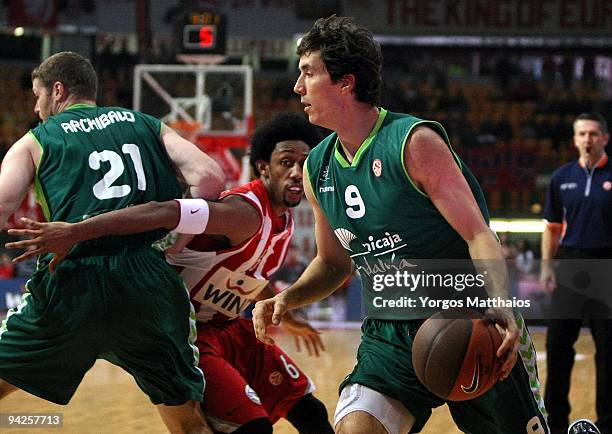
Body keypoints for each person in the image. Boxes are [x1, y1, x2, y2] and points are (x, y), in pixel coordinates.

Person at [252, 16, 548, 434]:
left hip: (470, 320)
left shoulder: (414, 142)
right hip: (389, 336)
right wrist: (288, 298)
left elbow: (479, 233)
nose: (297, 87)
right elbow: (334, 265)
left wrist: (500, 301)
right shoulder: (317, 167)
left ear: (345, 82)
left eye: (308, 73)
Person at [7, 112, 334, 434]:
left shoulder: (285, 221)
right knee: (253, 427)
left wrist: (281, 306)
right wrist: (77, 231)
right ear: (264, 167)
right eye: (286, 162)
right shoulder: (241, 213)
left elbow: (246, 275)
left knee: (311, 412)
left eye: (304, 163)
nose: (296, 172)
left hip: (233, 327)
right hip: (190, 332)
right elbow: (162, 211)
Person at [0, 51, 225, 434]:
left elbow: (2, 204)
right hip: (146, 279)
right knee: (188, 424)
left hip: (71, 279)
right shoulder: (148, 125)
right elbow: (210, 179)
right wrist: (176, 239)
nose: (37, 109)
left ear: (58, 90)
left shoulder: (34, 141)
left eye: (38, 97)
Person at [540, 112, 611, 434]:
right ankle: (555, 423)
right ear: (574, 139)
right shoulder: (561, 177)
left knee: (608, 351)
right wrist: (546, 266)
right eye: (582, 134)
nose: (587, 139)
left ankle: (608, 424)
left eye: (594, 133)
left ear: (605, 138)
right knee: (557, 348)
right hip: (569, 266)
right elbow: (551, 228)